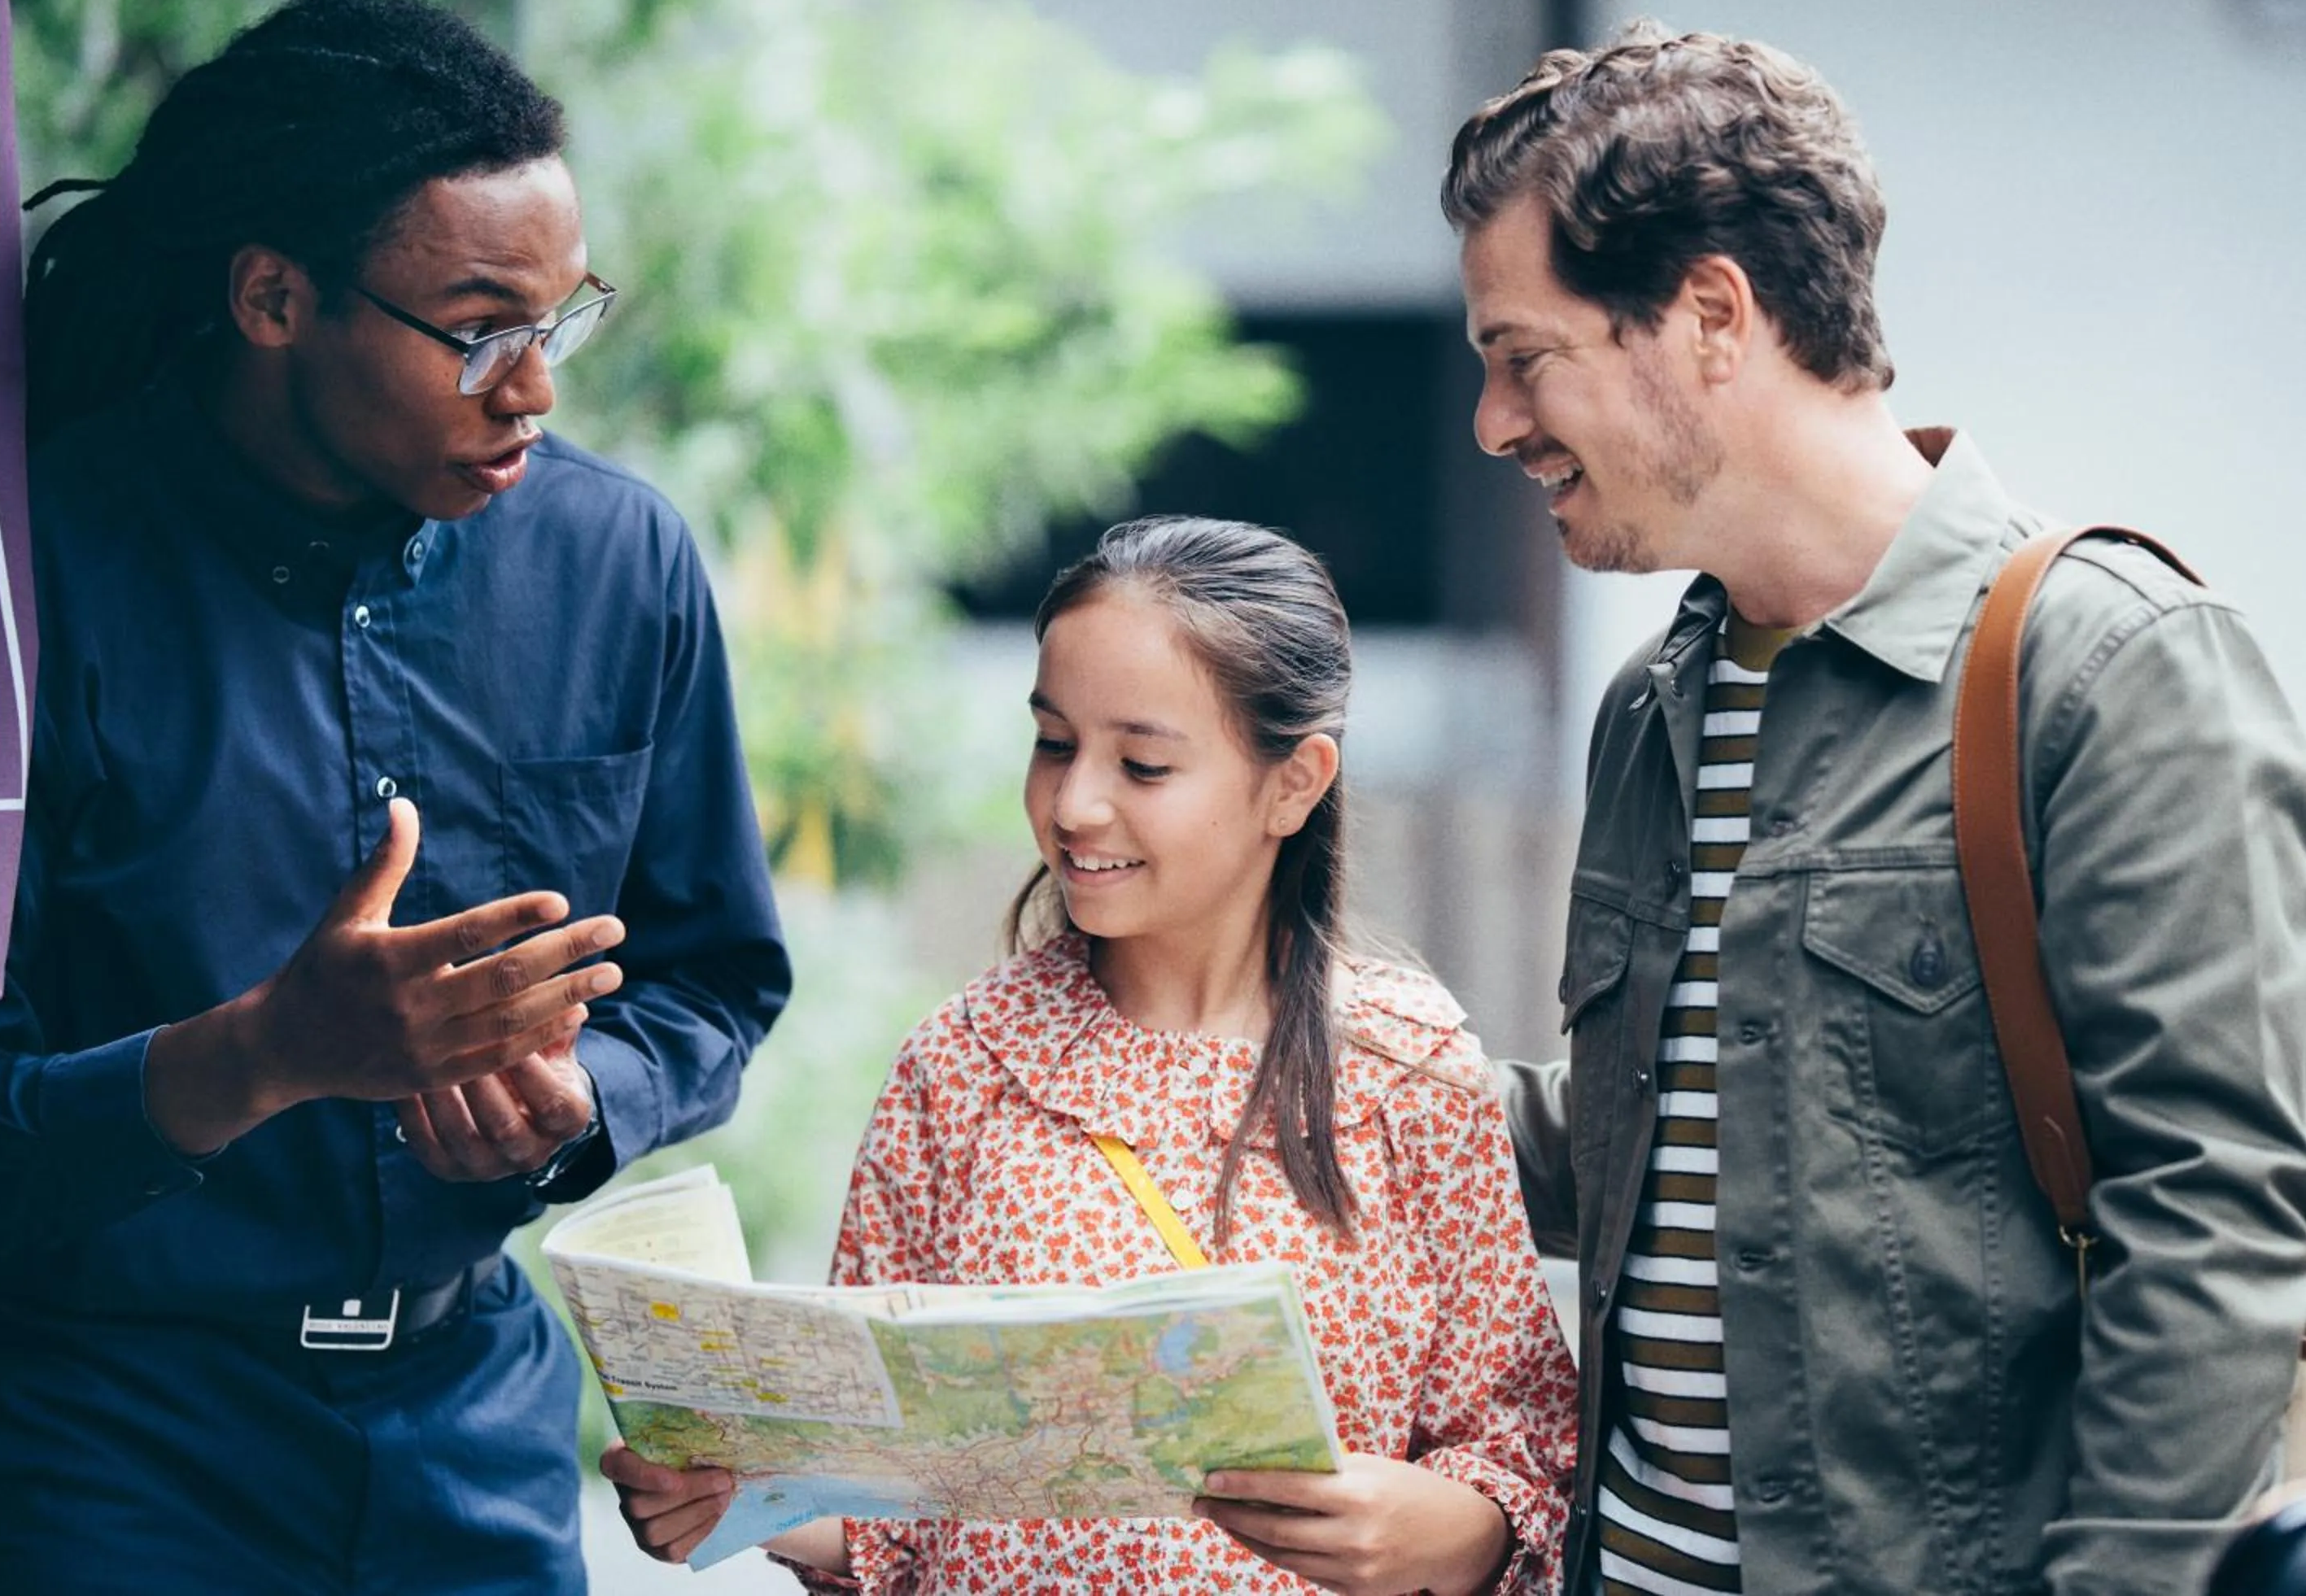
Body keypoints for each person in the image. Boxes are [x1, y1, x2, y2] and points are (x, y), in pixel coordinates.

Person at [0, 0, 791, 1594]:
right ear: (276, 297)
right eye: (480, 329)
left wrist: (585, 1101)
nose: (536, 389)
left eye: (564, 320)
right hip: (95, 1455)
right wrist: (261, 1057)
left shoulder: (616, 562)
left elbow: (716, 974)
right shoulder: (11, 580)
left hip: (480, 1441)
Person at [1448, 23, 2306, 1595]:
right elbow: (1699, 1140)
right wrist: (1326, 1069)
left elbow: (2218, 1228)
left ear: (1710, 313)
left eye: (1525, 357)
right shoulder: (1656, 706)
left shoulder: (2111, 670)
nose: (1495, 424)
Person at [604, 514, 1579, 1593]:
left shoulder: (1410, 1064)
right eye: (1054, 742)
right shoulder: (960, 1066)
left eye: (1144, 762)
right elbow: (888, 1519)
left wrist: (1452, 1528)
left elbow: (1527, 1446)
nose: (1074, 803)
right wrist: (746, 1499)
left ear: (1295, 782)